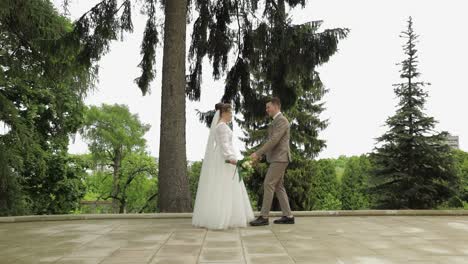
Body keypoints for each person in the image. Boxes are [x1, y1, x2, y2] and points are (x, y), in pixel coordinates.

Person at [192, 103, 255, 229]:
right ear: (223, 113)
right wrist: (231, 159)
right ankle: (221, 218)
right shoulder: (221, 127)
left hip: (223, 157)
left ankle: (229, 216)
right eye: (230, 112)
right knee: (223, 187)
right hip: (224, 159)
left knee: (225, 187)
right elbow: (224, 144)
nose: (231, 115)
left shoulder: (222, 125)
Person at [249, 97, 295, 226]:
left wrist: (257, 153)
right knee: (278, 186)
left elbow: (273, 141)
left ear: (276, 106)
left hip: (280, 158)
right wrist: (260, 156)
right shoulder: (276, 121)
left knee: (268, 184)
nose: (266, 109)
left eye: (268, 107)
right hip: (277, 158)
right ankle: (288, 216)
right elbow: (272, 142)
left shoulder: (282, 121)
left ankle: (264, 217)